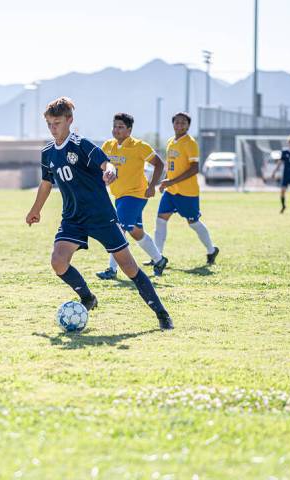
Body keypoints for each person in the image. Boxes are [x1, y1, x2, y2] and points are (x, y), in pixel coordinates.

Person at [25, 97, 173, 330]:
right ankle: (87, 297)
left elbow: (107, 164)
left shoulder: (81, 144)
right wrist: (35, 210)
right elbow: (46, 183)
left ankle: (162, 314)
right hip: (73, 217)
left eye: (57, 123)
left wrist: (110, 172)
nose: (53, 129)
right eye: (49, 124)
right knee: (58, 262)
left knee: (129, 267)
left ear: (69, 120)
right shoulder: (48, 153)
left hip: (101, 216)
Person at [96, 113, 168, 280]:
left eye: (121, 127)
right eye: (115, 126)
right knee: (136, 231)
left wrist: (152, 186)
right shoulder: (108, 145)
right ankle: (159, 260)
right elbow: (99, 165)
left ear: (129, 130)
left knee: (118, 229)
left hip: (135, 194)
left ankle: (112, 269)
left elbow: (159, 164)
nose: (117, 130)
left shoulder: (139, 146)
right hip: (119, 195)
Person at [153, 112, 219, 265]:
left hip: (187, 192)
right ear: (173, 124)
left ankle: (211, 250)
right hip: (171, 191)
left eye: (183, 123)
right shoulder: (171, 141)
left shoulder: (190, 143)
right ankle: (157, 256)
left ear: (188, 125)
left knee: (193, 222)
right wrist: (166, 181)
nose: (180, 125)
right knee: (160, 220)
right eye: (177, 122)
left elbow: (194, 169)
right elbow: (172, 166)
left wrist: (171, 181)